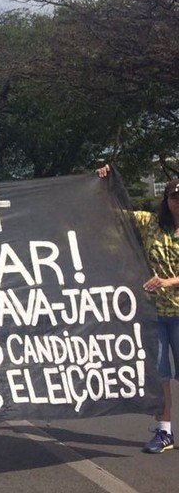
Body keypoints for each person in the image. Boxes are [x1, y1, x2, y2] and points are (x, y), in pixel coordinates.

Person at [98, 165, 179, 453]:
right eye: (174, 197)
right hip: (153, 315)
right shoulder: (150, 223)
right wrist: (106, 183)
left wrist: (168, 281)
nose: (178, 202)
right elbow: (114, 214)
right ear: (166, 199)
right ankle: (164, 431)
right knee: (160, 375)